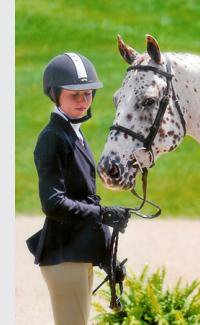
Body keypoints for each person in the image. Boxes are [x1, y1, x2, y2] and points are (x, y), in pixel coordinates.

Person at [26, 52, 129, 325]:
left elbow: (87, 199)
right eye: (75, 95)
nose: (83, 102)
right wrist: (102, 213)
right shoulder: (52, 138)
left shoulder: (74, 134)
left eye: (88, 94)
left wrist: (108, 254)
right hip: (64, 257)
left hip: (78, 254)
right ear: (55, 94)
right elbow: (53, 203)